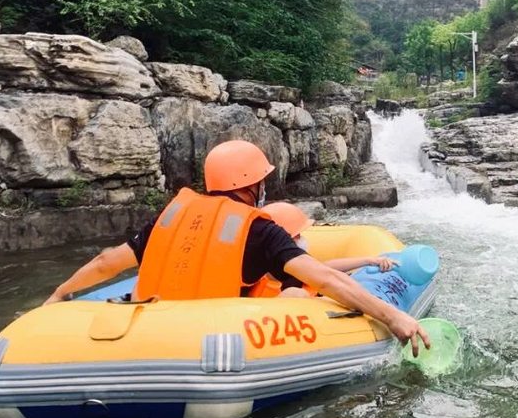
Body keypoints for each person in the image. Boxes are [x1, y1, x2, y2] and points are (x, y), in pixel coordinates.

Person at [43, 140, 430, 354]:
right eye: (262, 182)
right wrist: (393, 317)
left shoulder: (172, 218)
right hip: (216, 345)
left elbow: (107, 261)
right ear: (252, 185)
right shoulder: (259, 229)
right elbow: (325, 278)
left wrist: (60, 294)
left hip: (150, 335)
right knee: (297, 294)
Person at [249, 201, 396, 299]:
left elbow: (325, 268)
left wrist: (369, 260)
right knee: (295, 293)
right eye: (297, 236)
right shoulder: (259, 282)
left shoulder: (291, 267)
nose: (301, 239)